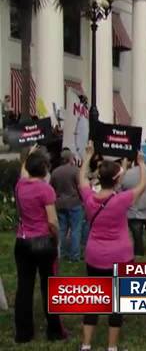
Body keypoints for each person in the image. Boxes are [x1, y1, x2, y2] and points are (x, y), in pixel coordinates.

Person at [78, 142, 146, 351]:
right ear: (117, 180)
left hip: (94, 255)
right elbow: (143, 184)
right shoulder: (122, 199)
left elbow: (81, 178)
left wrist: (88, 156)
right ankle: (112, 347)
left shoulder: (89, 197)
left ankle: (86, 345)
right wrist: (141, 163)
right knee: (116, 305)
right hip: (120, 256)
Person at [14, 146, 66, 343]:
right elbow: (52, 221)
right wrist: (57, 238)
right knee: (50, 287)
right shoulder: (46, 189)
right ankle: (54, 331)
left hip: (23, 241)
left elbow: (23, 171)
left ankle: (23, 333)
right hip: (43, 241)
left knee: (24, 288)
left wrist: (28, 155)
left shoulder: (20, 186)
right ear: (45, 168)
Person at [49, 149, 83, 262]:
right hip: (74, 203)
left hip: (59, 203)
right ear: (70, 158)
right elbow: (80, 187)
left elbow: (51, 188)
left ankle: (61, 254)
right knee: (75, 230)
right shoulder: (75, 171)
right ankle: (74, 256)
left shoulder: (55, 172)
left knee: (62, 230)